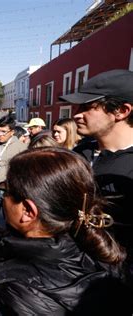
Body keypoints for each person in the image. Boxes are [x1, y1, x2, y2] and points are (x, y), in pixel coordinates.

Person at [0, 147, 130, 315]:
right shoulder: (87, 242)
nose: (3, 198)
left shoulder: (19, 298)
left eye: (6, 192)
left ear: (28, 211)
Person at [59, 69, 133, 266]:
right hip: (70, 268)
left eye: (88, 107)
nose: (76, 115)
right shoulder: (80, 152)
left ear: (122, 111)